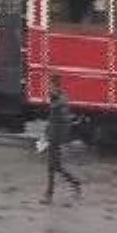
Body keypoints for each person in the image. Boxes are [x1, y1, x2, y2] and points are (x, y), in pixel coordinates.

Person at [41, 76, 82, 204]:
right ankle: (72, 184)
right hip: (53, 137)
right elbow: (52, 121)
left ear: (56, 86)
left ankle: (50, 195)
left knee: (53, 167)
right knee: (54, 167)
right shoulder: (57, 100)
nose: (49, 88)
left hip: (55, 139)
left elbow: (63, 122)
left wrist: (55, 138)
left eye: (51, 86)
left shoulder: (60, 102)